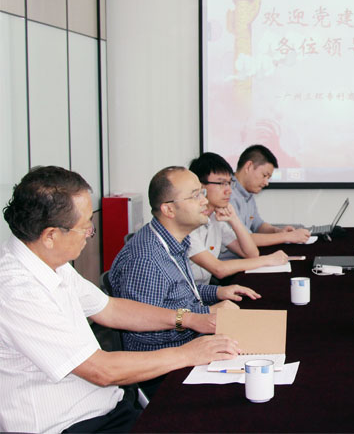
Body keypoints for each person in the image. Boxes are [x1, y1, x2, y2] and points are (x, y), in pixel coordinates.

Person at [0, 166, 240, 434]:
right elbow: (100, 370)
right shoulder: (17, 292)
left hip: (105, 407)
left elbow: (111, 309)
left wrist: (190, 319)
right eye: (85, 227)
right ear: (51, 236)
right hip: (69, 425)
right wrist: (189, 353)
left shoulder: (51, 262)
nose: (90, 233)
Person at [109, 166, 259, 395]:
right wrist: (203, 315)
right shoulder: (145, 259)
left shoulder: (175, 241)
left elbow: (178, 291)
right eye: (195, 195)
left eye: (202, 193)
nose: (204, 201)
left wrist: (217, 292)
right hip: (166, 371)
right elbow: (142, 333)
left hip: (191, 347)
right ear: (169, 209)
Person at [187, 152, 289, 284]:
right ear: (200, 187)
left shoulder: (215, 219)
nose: (229, 190)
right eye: (221, 183)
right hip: (189, 293)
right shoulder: (187, 224)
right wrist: (268, 260)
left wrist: (234, 219)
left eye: (229, 183)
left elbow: (251, 254)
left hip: (203, 290)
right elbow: (219, 269)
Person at [221, 144, 310, 260]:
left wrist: (276, 231)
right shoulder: (227, 195)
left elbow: (258, 225)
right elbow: (245, 238)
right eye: (264, 175)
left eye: (268, 178)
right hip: (230, 262)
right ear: (248, 167)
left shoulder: (247, 194)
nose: (266, 183)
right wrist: (287, 236)